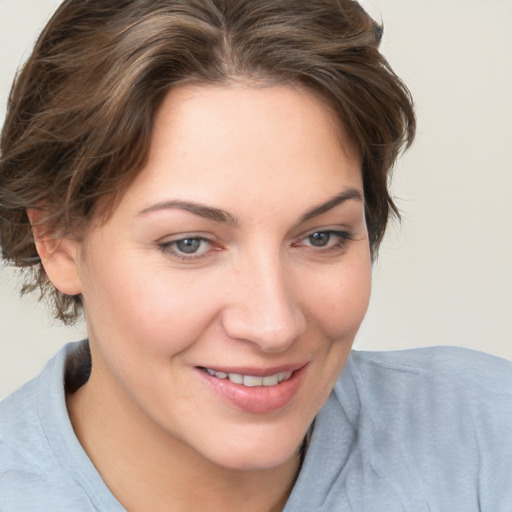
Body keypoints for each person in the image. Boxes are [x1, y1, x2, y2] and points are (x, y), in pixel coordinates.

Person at [0, 0, 510, 510]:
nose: (274, 327)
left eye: (321, 237)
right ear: (57, 239)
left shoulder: (488, 435)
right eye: (189, 244)